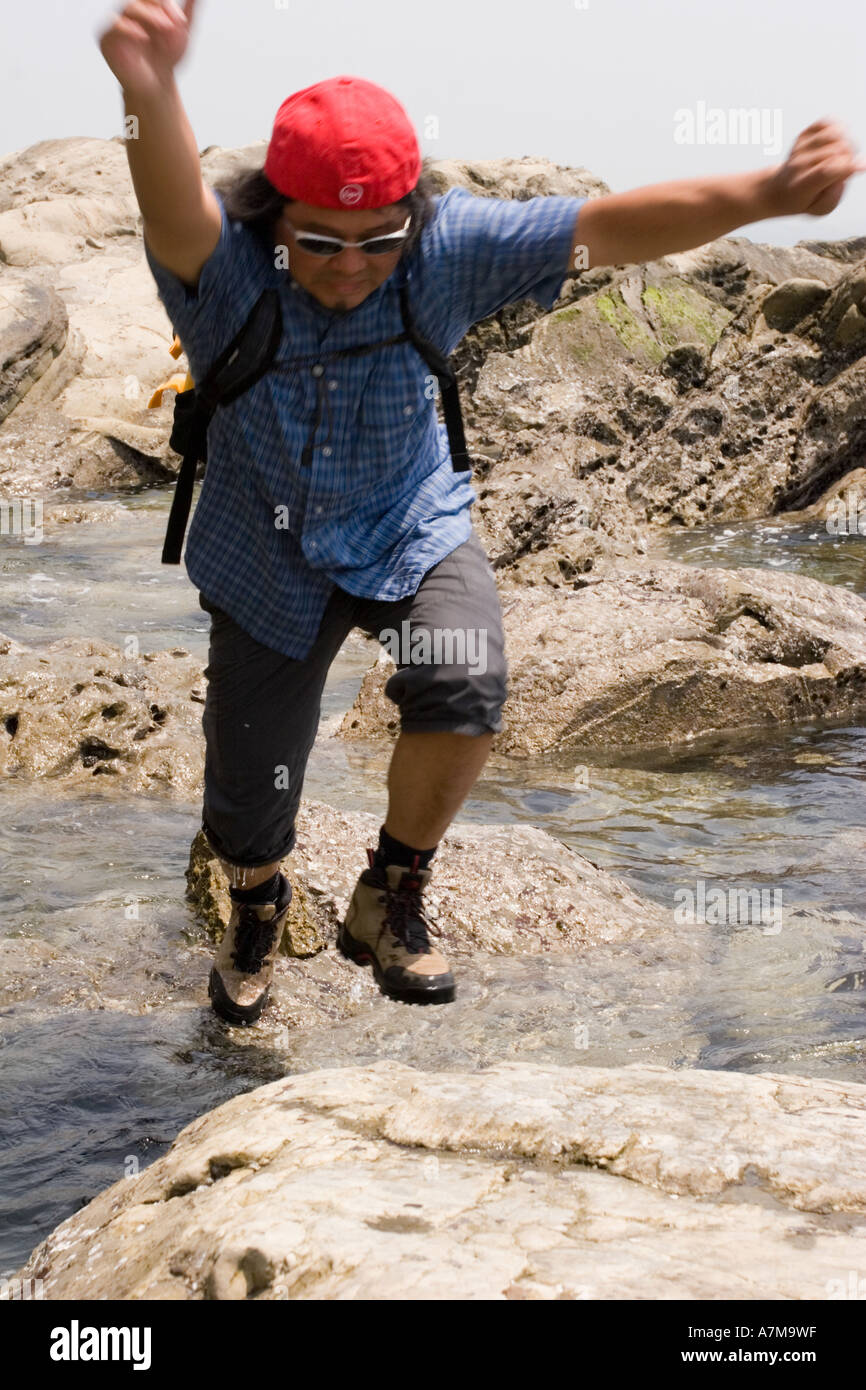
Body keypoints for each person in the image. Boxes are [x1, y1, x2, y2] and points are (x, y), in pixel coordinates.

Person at [99, 0, 865, 1025]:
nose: (352, 264)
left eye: (379, 239)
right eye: (320, 239)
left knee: (464, 675)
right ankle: (255, 904)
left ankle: (392, 893)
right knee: (248, 797)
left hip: (409, 521)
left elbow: (614, 226)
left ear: (412, 214)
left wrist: (766, 190)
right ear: (271, 216)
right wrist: (145, 86)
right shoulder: (227, 270)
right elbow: (170, 203)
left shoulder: (445, 247)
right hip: (261, 550)